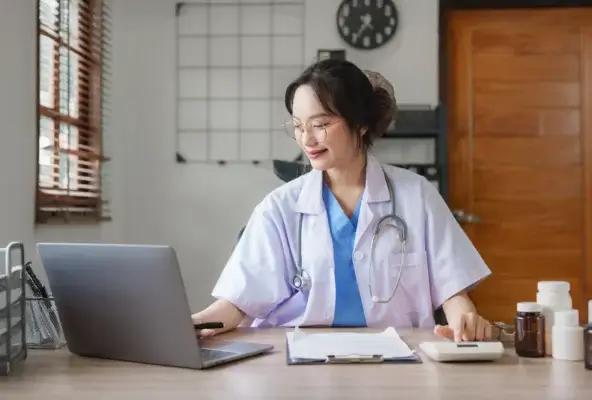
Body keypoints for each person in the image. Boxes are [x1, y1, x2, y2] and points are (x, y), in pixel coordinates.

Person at [193, 59, 493, 342]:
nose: (307, 140)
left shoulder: (417, 196)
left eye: (320, 124)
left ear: (360, 123)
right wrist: (198, 322)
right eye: (298, 126)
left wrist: (465, 317)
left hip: (398, 356)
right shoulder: (279, 208)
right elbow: (237, 302)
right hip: (295, 360)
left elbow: (452, 289)